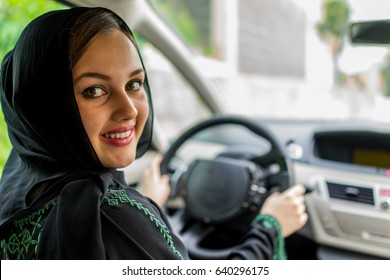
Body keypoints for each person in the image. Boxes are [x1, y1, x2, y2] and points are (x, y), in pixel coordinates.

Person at [0, 7, 307, 260]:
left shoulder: (17, 186)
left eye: (134, 84)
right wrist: (270, 226)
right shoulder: (110, 216)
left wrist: (148, 207)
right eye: (94, 90)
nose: (129, 110)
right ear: (46, 106)